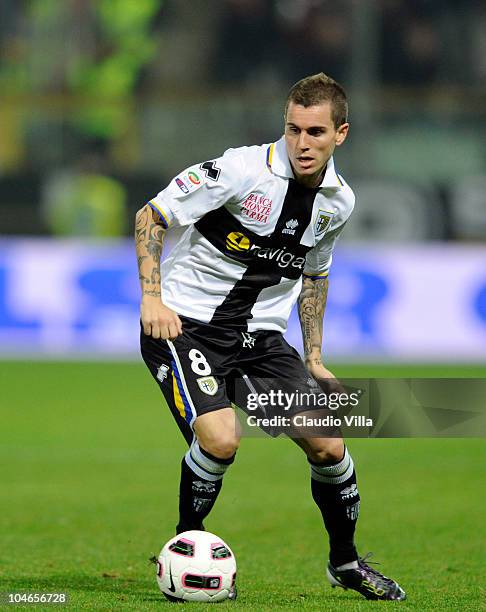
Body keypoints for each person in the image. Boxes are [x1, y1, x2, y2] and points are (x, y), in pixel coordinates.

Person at [135, 73, 406, 602]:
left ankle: (345, 563)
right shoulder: (238, 170)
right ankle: (184, 547)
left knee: (329, 446)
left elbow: (315, 273)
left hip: (260, 341)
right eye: (293, 130)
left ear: (340, 134)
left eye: (315, 132)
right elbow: (152, 215)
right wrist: (152, 297)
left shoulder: (338, 202)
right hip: (185, 325)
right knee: (221, 437)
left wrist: (316, 356)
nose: (302, 144)